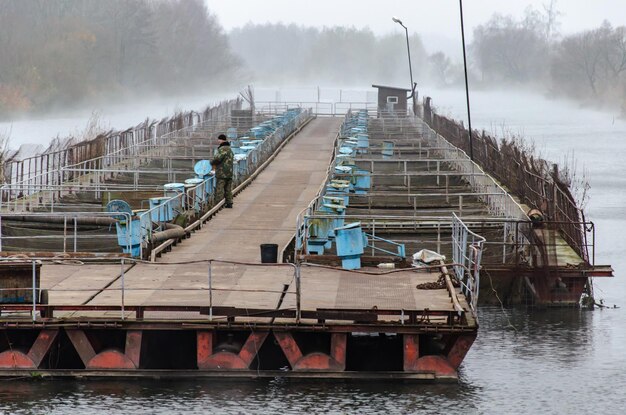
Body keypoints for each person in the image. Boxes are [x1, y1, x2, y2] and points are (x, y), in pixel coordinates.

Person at [211, 134, 234, 208]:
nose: (218, 141)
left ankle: (218, 205)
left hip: (222, 173)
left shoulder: (222, 149)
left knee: (219, 189)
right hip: (229, 172)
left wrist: (211, 163)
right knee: (228, 189)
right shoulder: (230, 149)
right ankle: (229, 203)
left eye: (219, 140)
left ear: (221, 140)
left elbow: (217, 159)